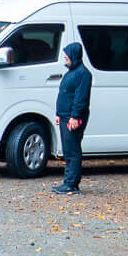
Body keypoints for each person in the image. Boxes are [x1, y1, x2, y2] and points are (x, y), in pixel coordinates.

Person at [52, 41, 91, 195]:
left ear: (74, 55)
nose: (65, 58)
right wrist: (58, 113)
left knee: (72, 150)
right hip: (65, 116)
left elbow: (80, 98)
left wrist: (75, 117)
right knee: (68, 151)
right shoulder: (71, 72)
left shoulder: (83, 74)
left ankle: (72, 183)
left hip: (72, 118)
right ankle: (68, 181)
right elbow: (64, 94)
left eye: (67, 55)